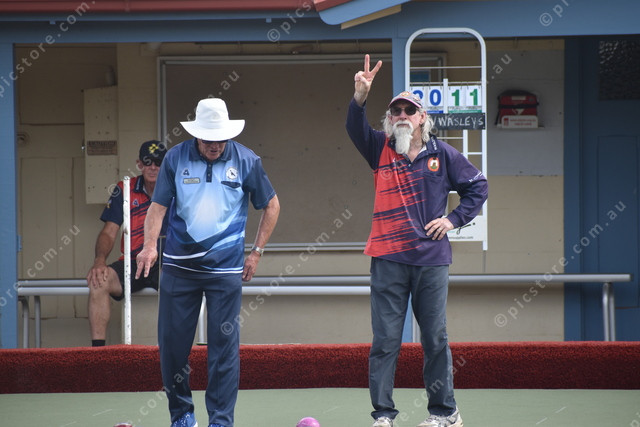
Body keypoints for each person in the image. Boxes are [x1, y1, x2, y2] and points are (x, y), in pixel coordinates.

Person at [346, 55, 488, 427]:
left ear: (422, 117)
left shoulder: (443, 154)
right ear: (389, 119)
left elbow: (478, 187)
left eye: (410, 110)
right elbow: (353, 125)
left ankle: (445, 413)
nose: (402, 115)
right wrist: (360, 95)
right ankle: (383, 415)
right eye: (396, 111)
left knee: (435, 339)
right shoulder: (379, 147)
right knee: (385, 341)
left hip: (431, 261)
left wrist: (453, 219)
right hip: (388, 259)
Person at [136, 97, 280, 427]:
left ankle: (221, 420)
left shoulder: (247, 160)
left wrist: (256, 252)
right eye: (208, 139)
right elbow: (158, 206)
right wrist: (149, 246)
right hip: (179, 268)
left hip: (225, 270)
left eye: (220, 139)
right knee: (172, 347)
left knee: (223, 349)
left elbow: (271, 205)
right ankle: (182, 415)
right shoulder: (175, 158)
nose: (214, 145)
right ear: (196, 135)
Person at [86, 140, 167, 347]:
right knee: (99, 280)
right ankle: (97, 354)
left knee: (184, 287)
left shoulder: (174, 188)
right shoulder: (125, 188)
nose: (153, 167)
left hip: (165, 263)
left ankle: (176, 353)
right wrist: (99, 260)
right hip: (132, 262)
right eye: (148, 162)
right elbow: (109, 232)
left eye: (158, 163)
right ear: (139, 164)